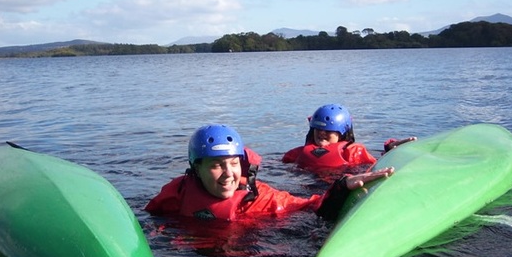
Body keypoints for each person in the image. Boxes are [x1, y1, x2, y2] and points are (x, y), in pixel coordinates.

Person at [145, 124, 394, 222]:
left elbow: (312, 206)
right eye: (215, 165)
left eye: (233, 163)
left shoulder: (260, 198)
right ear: (196, 168)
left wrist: (343, 185)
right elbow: (149, 218)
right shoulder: (176, 193)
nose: (227, 174)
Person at [282, 103, 416, 173]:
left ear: (341, 133)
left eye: (328, 130)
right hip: (312, 186)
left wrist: (390, 151)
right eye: (318, 129)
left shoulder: (353, 151)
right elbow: (282, 164)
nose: (322, 133)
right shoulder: (298, 153)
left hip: (341, 182)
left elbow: (376, 165)